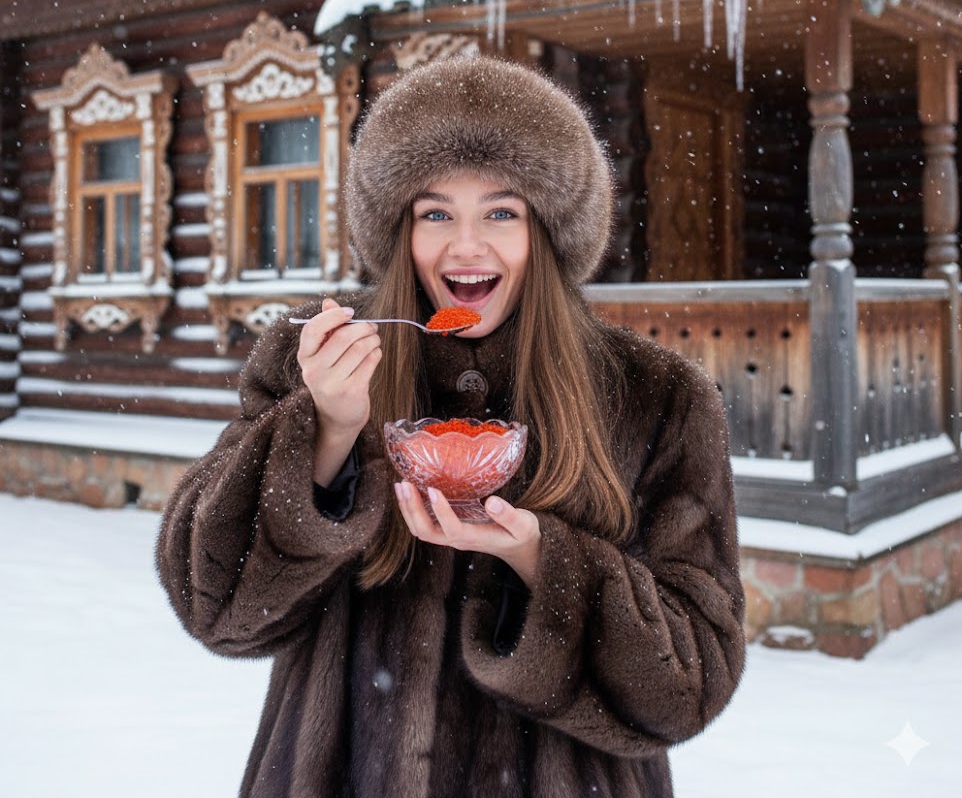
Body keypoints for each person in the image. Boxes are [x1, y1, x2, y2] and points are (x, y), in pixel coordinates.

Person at [156, 54, 745, 798]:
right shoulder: (316, 356)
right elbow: (216, 607)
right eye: (435, 213)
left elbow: (692, 682)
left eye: (502, 212)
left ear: (550, 233)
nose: (466, 247)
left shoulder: (657, 399)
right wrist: (327, 432)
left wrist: (544, 561)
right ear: (400, 230)